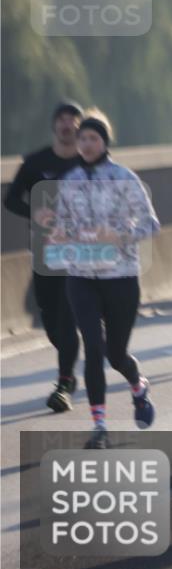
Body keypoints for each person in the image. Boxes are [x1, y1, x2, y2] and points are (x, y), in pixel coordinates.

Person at [53, 109, 160, 449]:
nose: (85, 143)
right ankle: (99, 426)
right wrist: (59, 233)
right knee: (93, 348)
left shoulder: (124, 178)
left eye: (92, 138)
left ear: (104, 142)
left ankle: (137, 385)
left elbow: (151, 225)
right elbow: (61, 225)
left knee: (116, 354)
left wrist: (117, 235)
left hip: (121, 276)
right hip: (81, 275)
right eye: (82, 138)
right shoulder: (68, 181)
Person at [3, 100, 83, 412]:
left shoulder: (88, 161)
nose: (66, 124)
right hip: (44, 251)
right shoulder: (36, 162)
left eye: (72, 119)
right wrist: (36, 214)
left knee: (67, 316)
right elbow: (10, 200)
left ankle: (63, 383)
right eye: (61, 119)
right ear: (54, 126)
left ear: (79, 125)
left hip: (80, 253)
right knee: (50, 318)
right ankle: (67, 369)